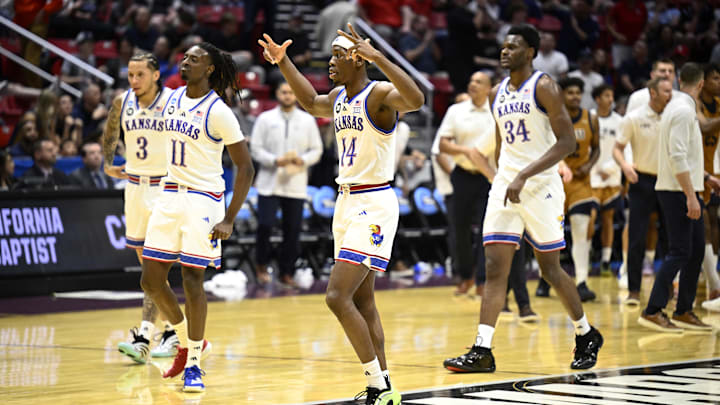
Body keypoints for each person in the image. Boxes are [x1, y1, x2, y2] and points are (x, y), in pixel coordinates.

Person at [259, 22, 424, 404]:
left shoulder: (379, 93)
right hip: (346, 202)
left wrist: (379, 56)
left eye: (337, 55)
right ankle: (384, 387)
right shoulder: (337, 97)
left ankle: (377, 385)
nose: (330, 62)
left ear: (357, 59)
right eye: (331, 55)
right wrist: (283, 63)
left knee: (336, 297)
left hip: (374, 203)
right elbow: (309, 102)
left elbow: (416, 100)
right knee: (363, 302)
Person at [443, 24, 603, 374]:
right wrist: (504, 176)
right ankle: (482, 348)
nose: (504, 51)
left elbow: (567, 143)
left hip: (541, 186)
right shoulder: (497, 91)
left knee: (550, 269)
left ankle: (586, 333)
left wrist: (523, 175)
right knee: (495, 268)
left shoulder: (544, 86)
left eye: (512, 47)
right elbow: (503, 145)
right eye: (502, 46)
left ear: (530, 52)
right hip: (506, 185)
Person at [140, 43, 255, 393]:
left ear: (209, 69)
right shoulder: (172, 98)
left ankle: (193, 365)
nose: (186, 61)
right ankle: (186, 339)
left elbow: (245, 168)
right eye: (185, 57)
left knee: (192, 280)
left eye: (194, 58)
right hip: (169, 193)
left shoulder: (219, 112)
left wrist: (230, 218)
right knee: (150, 280)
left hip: (203, 201)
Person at [102, 53, 179, 364]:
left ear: (156, 75)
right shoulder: (123, 101)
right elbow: (110, 131)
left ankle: (147, 334)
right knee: (147, 270)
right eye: (130, 75)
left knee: (154, 268)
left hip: (165, 187)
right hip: (134, 187)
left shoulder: (174, 100)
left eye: (140, 75)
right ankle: (172, 332)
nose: (134, 81)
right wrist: (108, 163)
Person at [638, 63, 718, 332]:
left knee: (695, 250)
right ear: (701, 84)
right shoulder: (683, 111)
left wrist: (706, 178)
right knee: (680, 250)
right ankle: (653, 310)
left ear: (680, 80)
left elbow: (687, 154)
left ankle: (684, 310)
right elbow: (677, 157)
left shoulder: (677, 108)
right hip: (677, 191)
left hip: (684, 187)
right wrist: (690, 196)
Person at [250, 82, 323, 286]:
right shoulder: (265, 119)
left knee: (293, 229)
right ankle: (261, 265)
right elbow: (255, 148)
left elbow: (316, 150)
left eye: (292, 92)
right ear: (277, 94)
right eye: (284, 92)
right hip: (269, 181)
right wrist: (274, 160)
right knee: (265, 225)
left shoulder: (308, 121)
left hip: (296, 183)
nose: (288, 95)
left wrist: (304, 160)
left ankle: (286, 272)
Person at [536, 77, 599, 302]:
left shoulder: (591, 118)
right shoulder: (549, 118)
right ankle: (546, 279)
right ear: (562, 95)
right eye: (570, 92)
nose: (574, 96)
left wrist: (589, 166)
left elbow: (597, 149)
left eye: (578, 92)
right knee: (552, 234)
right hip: (553, 181)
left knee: (582, 230)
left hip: (581, 183)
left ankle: (581, 281)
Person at [613, 77, 673, 304]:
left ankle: (667, 289)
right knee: (636, 237)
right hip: (641, 181)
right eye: (666, 91)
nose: (671, 95)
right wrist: (625, 165)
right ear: (653, 93)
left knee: (669, 238)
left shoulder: (673, 117)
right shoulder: (633, 118)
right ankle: (634, 291)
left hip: (668, 182)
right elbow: (617, 148)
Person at [438, 72, 497, 297]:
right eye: (471, 81)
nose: (473, 84)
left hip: (487, 177)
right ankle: (465, 277)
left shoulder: (495, 112)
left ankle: (483, 280)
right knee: (459, 229)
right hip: (462, 173)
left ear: (489, 88)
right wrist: (468, 152)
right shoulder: (456, 111)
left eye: (479, 82)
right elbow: (443, 144)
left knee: (486, 229)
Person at [590, 84, 624, 275]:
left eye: (612, 95)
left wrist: (610, 168)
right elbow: (586, 148)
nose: (611, 99)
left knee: (608, 219)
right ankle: (585, 255)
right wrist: (596, 169)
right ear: (597, 98)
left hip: (612, 175)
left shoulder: (620, 121)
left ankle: (605, 259)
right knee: (589, 218)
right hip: (591, 175)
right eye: (606, 95)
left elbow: (624, 147)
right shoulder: (590, 118)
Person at [697, 63, 720, 312]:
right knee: (700, 223)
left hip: (712, 171)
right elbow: (703, 127)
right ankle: (713, 283)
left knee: (712, 222)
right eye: (715, 78)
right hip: (693, 172)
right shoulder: (694, 105)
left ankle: (712, 279)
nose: (719, 83)